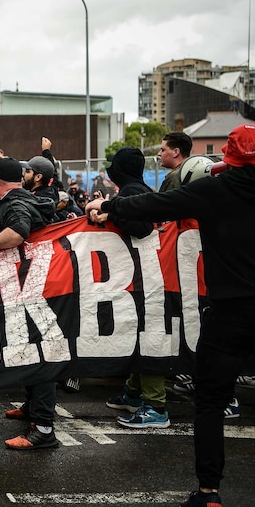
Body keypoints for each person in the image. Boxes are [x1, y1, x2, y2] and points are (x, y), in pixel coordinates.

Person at [85, 123, 255, 507]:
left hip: (230, 312)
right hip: (232, 310)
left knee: (211, 403)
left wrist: (107, 205)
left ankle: (209, 493)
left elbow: (154, 206)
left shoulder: (217, 190)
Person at [0, 157, 58, 450]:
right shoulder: (28, 198)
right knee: (31, 351)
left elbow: (18, 231)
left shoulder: (13, 204)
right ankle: (33, 409)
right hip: (37, 284)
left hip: (33, 286)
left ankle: (43, 428)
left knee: (40, 353)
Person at [102, 147, 174, 428]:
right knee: (140, 333)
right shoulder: (139, 188)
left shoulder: (132, 191)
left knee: (149, 335)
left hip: (146, 277)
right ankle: (134, 393)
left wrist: (111, 214)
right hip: (144, 275)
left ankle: (155, 406)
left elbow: (141, 228)